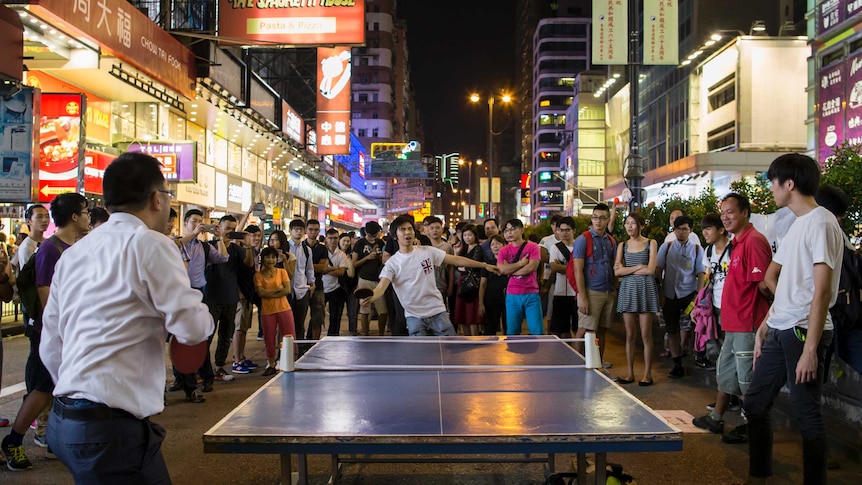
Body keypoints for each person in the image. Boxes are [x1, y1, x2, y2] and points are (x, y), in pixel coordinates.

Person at [37, 152, 213, 481]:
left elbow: (51, 342)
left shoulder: (75, 253)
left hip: (67, 422)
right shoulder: (151, 244)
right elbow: (191, 327)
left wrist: (80, 389)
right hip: (110, 430)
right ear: (157, 199)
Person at [744, 154, 843, 485]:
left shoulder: (823, 223)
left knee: (806, 413)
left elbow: (822, 292)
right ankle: (760, 474)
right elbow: (781, 280)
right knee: (755, 403)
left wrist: (811, 349)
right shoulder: (798, 223)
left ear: (790, 184)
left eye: (773, 181)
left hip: (804, 332)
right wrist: (767, 322)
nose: (770, 187)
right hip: (780, 328)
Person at [1, 193, 89, 470]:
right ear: (74, 216)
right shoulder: (52, 249)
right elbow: (44, 292)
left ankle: (55, 439)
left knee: (57, 388)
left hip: (68, 331)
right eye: (85, 211)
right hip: (51, 333)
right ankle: (14, 440)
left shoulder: (72, 246)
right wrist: (59, 332)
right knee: (42, 388)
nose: (88, 216)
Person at [692, 195, 772, 442]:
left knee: (747, 379)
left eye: (731, 212)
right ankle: (716, 417)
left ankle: (756, 429)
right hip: (733, 322)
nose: (725, 217)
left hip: (747, 324)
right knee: (726, 373)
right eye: (723, 212)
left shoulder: (754, 242)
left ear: (745, 213)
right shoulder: (738, 242)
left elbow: (764, 285)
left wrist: (763, 321)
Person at [360, 215, 500, 336]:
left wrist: (484, 265)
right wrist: (371, 296)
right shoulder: (392, 264)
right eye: (403, 229)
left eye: (410, 229)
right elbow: (381, 288)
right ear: (395, 235)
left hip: (438, 312)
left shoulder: (427, 251)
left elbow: (456, 259)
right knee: (419, 357)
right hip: (414, 317)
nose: (408, 232)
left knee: (450, 354)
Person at [168, 209, 229, 400]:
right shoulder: (176, 242)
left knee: (196, 338)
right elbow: (172, 246)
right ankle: (182, 378)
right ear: (185, 223)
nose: (198, 224)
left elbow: (223, 258)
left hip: (198, 294)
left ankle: (203, 378)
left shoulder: (203, 247)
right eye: (194, 221)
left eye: (200, 222)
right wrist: (193, 235)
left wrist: (219, 238)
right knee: (177, 340)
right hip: (177, 294)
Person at [656, 215, 705, 378]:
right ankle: (677, 363)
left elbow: (701, 273)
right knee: (672, 329)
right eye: (678, 229)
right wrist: (661, 291)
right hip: (670, 294)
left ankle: (696, 356)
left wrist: (697, 296)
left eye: (685, 229)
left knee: (694, 326)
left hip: (688, 294)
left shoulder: (697, 249)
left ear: (690, 231)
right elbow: (658, 270)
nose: (681, 232)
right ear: (674, 230)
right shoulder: (666, 247)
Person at [614, 212, 659, 385]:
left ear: (641, 225)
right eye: (627, 223)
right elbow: (617, 271)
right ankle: (630, 373)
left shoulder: (651, 243)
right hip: (628, 290)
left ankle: (647, 374)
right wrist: (640, 266)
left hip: (646, 289)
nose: (629, 226)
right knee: (630, 334)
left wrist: (629, 269)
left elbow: (651, 270)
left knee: (646, 335)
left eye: (633, 223)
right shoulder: (622, 245)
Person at [572, 204, 617, 356]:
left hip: (608, 291)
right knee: (585, 328)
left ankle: (598, 365)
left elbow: (613, 266)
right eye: (595, 217)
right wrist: (583, 297)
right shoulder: (583, 239)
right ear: (591, 219)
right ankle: (578, 364)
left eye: (602, 218)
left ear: (608, 220)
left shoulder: (610, 240)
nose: (598, 221)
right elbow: (578, 269)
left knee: (602, 330)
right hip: (591, 291)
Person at [694, 213, 731, 370]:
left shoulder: (734, 248)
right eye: (703, 229)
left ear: (721, 229)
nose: (705, 233)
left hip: (731, 306)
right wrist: (699, 305)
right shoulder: (708, 251)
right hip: (714, 305)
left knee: (730, 343)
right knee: (715, 340)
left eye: (708, 229)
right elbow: (709, 277)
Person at [496, 219, 543, 335]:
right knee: (512, 332)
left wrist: (510, 270)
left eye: (512, 229)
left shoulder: (533, 247)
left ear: (522, 230)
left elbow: (532, 267)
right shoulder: (503, 250)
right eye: (506, 231)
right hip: (512, 294)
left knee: (537, 331)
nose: (509, 233)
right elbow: (500, 269)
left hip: (531, 293)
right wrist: (520, 264)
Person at [255, 247, 297, 376]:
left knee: (289, 336)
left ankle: (290, 362)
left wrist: (269, 293)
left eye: (273, 257)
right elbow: (261, 293)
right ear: (263, 259)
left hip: (284, 308)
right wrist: (277, 290)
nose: (271, 260)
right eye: (268, 257)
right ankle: (271, 364)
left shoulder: (282, 272)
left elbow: (287, 290)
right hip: (267, 311)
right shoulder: (258, 275)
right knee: (269, 338)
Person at [233, 224, 263, 374]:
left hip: (249, 295)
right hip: (241, 296)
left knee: (244, 328)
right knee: (239, 328)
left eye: (258, 235)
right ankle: (236, 361)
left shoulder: (251, 251)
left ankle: (241, 357)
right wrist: (239, 292)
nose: (256, 238)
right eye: (253, 235)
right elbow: (234, 273)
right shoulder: (239, 251)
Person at [353, 221, 388, 336]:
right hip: (364, 279)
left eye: (376, 234)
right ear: (366, 232)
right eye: (372, 234)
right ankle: (365, 334)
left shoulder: (380, 243)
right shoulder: (360, 244)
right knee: (365, 309)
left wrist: (380, 258)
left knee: (383, 311)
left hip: (379, 280)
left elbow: (385, 260)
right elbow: (354, 263)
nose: (374, 237)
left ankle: (381, 335)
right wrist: (367, 257)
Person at [548, 216, 578, 339]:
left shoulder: (579, 246)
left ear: (574, 231)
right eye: (561, 230)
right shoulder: (555, 247)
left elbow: (583, 268)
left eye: (567, 230)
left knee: (578, 328)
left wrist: (563, 267)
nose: (564, 233)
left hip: (577, 293)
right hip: (560, 292)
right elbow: (554, 268)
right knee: (561, 329)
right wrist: (574, 269)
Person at [287, 219, 315, 346]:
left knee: (300, 323)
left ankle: (298, 350)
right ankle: (283, 353)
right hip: (286, 290)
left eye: (301, 229)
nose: (298, 232)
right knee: (286, 323)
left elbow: (309, 269)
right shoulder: (285, 247)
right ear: (290, 231)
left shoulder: (306, 249)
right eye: (295, 229)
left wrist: (312, 284)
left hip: (302, 289)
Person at [453, 224, 484, 335]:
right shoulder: (463, 248)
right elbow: (457, 264)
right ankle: (466, 340)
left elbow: (473, 265)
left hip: (472, 283)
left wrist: (463, 267)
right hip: (462, 283)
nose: (467, 237)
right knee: (463, 316)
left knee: (472, 315)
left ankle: (474, 340)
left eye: (470, 235)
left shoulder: (478, 248)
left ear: (475, 236)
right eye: (465, 235)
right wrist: (456, 253)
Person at [478, 234, 508, 335]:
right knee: (490, 328)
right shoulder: (487, 264)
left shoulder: (510, 263)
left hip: (508, 298)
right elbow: (482, 285)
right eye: (492, 244)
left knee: (508, 327)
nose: (495, 246)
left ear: (504, 245)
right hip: (491, 299)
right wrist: (481, 303)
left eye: (498, 243)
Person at [321, 228, 349, 336]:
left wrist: (325, 270)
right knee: (317, 317)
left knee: (335, 318)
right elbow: (318, 269)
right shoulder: (321, 252)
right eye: (330, 238)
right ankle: (311, 341)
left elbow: (341, 272)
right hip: (321, 288)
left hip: (337, 289)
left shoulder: (341, 255)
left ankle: (333, 339)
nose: (333, 240)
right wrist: (334, 269)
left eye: (335, 238)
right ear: (326, 239)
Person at [305, 219, 328, 340]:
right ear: (306, 230)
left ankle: (314, 343)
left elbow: (323, 267)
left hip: (318, 286)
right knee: (298, 318)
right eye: (310, 229)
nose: (313, 232)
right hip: (301, 286)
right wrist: (315, 266)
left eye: (316, 230)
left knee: (318, 317)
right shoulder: (301, 246)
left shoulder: (322, 249)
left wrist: (304, 265)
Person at [424, 216, 455, 303]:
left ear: (442, 229)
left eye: (437, 228)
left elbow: (451, 267)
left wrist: (450, 286)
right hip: (425, 286)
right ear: (428, 230)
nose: (435, 230)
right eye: (432, 228)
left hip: (441, 285)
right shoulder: (424, 246)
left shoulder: (447, 247)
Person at [338, 233, 359, 335]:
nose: (346, 243)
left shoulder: (352, 255)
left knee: (352, 313)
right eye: (344, 241)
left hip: (352, 287)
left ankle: (353, 332)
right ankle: (335, 333)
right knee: (338, 313)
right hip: (339, 288)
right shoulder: (336, 255)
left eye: (348, 241)